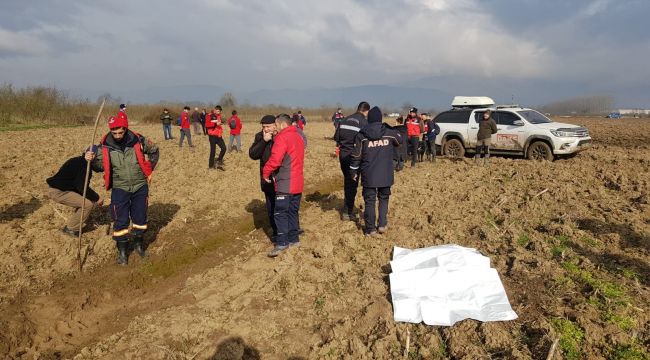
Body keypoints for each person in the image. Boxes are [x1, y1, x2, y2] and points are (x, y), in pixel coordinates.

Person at [90, 115, 159, 265]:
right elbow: (98, 167)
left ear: (125, 129)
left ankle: (139, 245)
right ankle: (122, 252)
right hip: (120, 187)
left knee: (140, 218)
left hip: (140, 185)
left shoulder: (138, 140)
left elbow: (154, 150)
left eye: (120, 132)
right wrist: (90, 160)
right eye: (114, 133)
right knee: (120, 220)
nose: (117, 136)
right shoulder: (104, 147)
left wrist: (149, 167)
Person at [350, 106, 401, 236]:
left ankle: (370, 229)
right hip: (385, 174)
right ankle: (382, 225)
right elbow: (399, 140)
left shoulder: (362, 135)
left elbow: (356, 155)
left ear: (369, 119)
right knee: (384, 199)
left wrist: (353, 171)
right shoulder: (389, 132)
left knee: (370, 201)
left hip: (369, 175)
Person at [262, 114, 305, 257]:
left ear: (282, 125)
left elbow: (275, 160)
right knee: (293, 212)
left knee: (280, 214)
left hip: (285, 183)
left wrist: (266, 172)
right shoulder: (299, 137)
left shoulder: (282, 138)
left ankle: (281, 243)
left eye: (276, 124)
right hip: (298, 183)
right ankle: (294, 240)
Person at [47, 150, 103, 237]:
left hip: (65, 189)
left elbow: (79, 187)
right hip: (59, 191)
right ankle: (71, 229)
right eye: (100, 161)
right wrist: (97, 198)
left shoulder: (80, 161)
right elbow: (81, 187)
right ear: (94, 157)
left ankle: (77, 222)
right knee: (87, 205)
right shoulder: (83, 166)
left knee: (88, 201)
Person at [334, 101, 369, 221]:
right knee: (352, 183)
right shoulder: (364, 122)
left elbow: (336, 137)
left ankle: (347, 209)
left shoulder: (344, 120)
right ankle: (347, 212)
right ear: (366, 111)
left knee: (348, 181)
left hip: (343, 156)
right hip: (355, 157)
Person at [249, 115, 279, 242]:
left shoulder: (281, 136)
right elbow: (253, 154)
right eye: (263, 127)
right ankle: (276, 232)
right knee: (271, 206)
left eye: (268, 127)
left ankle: (290, 228)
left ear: (275, 125)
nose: (265, 129)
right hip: (266, 178)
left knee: (283, 205)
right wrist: (264, 141)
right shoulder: (260, 136)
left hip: (280, 177)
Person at [206, 105, 226, 170]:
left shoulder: (218, 116)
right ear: (214, 110)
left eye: (219, 111)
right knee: (213, 151)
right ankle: (211, 166)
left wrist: (220, 124)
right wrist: (215, 124)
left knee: (224, 148)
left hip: (219, 136)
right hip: (212, 136)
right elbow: (207, 125)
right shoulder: (209, 116)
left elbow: (218, 125)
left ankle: (218, 160)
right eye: (218, 111)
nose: (219, 112)